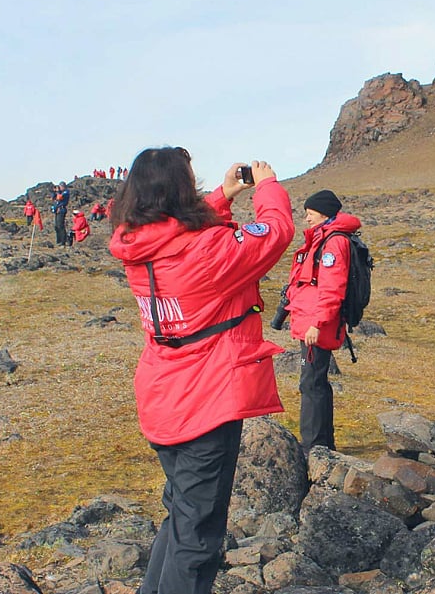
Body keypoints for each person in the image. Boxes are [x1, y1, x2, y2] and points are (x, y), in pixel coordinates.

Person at [108, 146, 294, 594]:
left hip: (163, 397)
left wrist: (222, 196)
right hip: (205, 402)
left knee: (181, 516)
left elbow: (178, 235)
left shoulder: (137, 244)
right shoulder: (206, 252)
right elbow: (275, 232)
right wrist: (267, 187)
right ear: (177, 190)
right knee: (197, 539)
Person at [284, 189, 361, 453]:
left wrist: (317, 324)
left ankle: (313, 445)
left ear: (324, 214)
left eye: (310, 214)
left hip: (316, 325)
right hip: (312, 322)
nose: (306, 219)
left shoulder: (333, 243)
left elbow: (332, 288)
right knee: (316, 381)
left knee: (311, 383)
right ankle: (323, 444)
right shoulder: (325, 239)